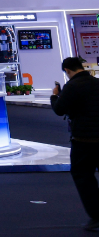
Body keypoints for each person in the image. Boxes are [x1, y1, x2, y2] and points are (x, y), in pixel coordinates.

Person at [51, 56, 99, 230]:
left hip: (83, 140)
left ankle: (97, 216)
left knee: (83, 177)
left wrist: (54, 96)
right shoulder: (97, 82)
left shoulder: (72, 86)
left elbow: (59, 109)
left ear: (67, 70)